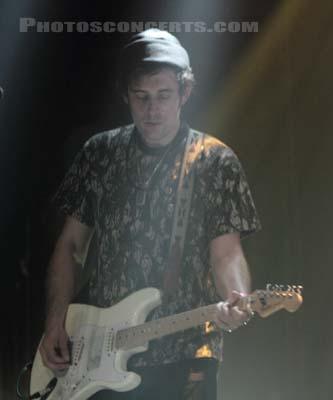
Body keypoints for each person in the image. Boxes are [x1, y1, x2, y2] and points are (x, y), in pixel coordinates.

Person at [39, 29, 260, 399]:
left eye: (163, 96)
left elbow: (227, 252)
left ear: (185, 92)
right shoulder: (100, 153)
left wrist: (237, 296)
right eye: (141, 98)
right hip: (101, 352)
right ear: (125, 93)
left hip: (188, 350)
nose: (152, 110)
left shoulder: (213, 160)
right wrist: (55, 319)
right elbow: (70, 246)